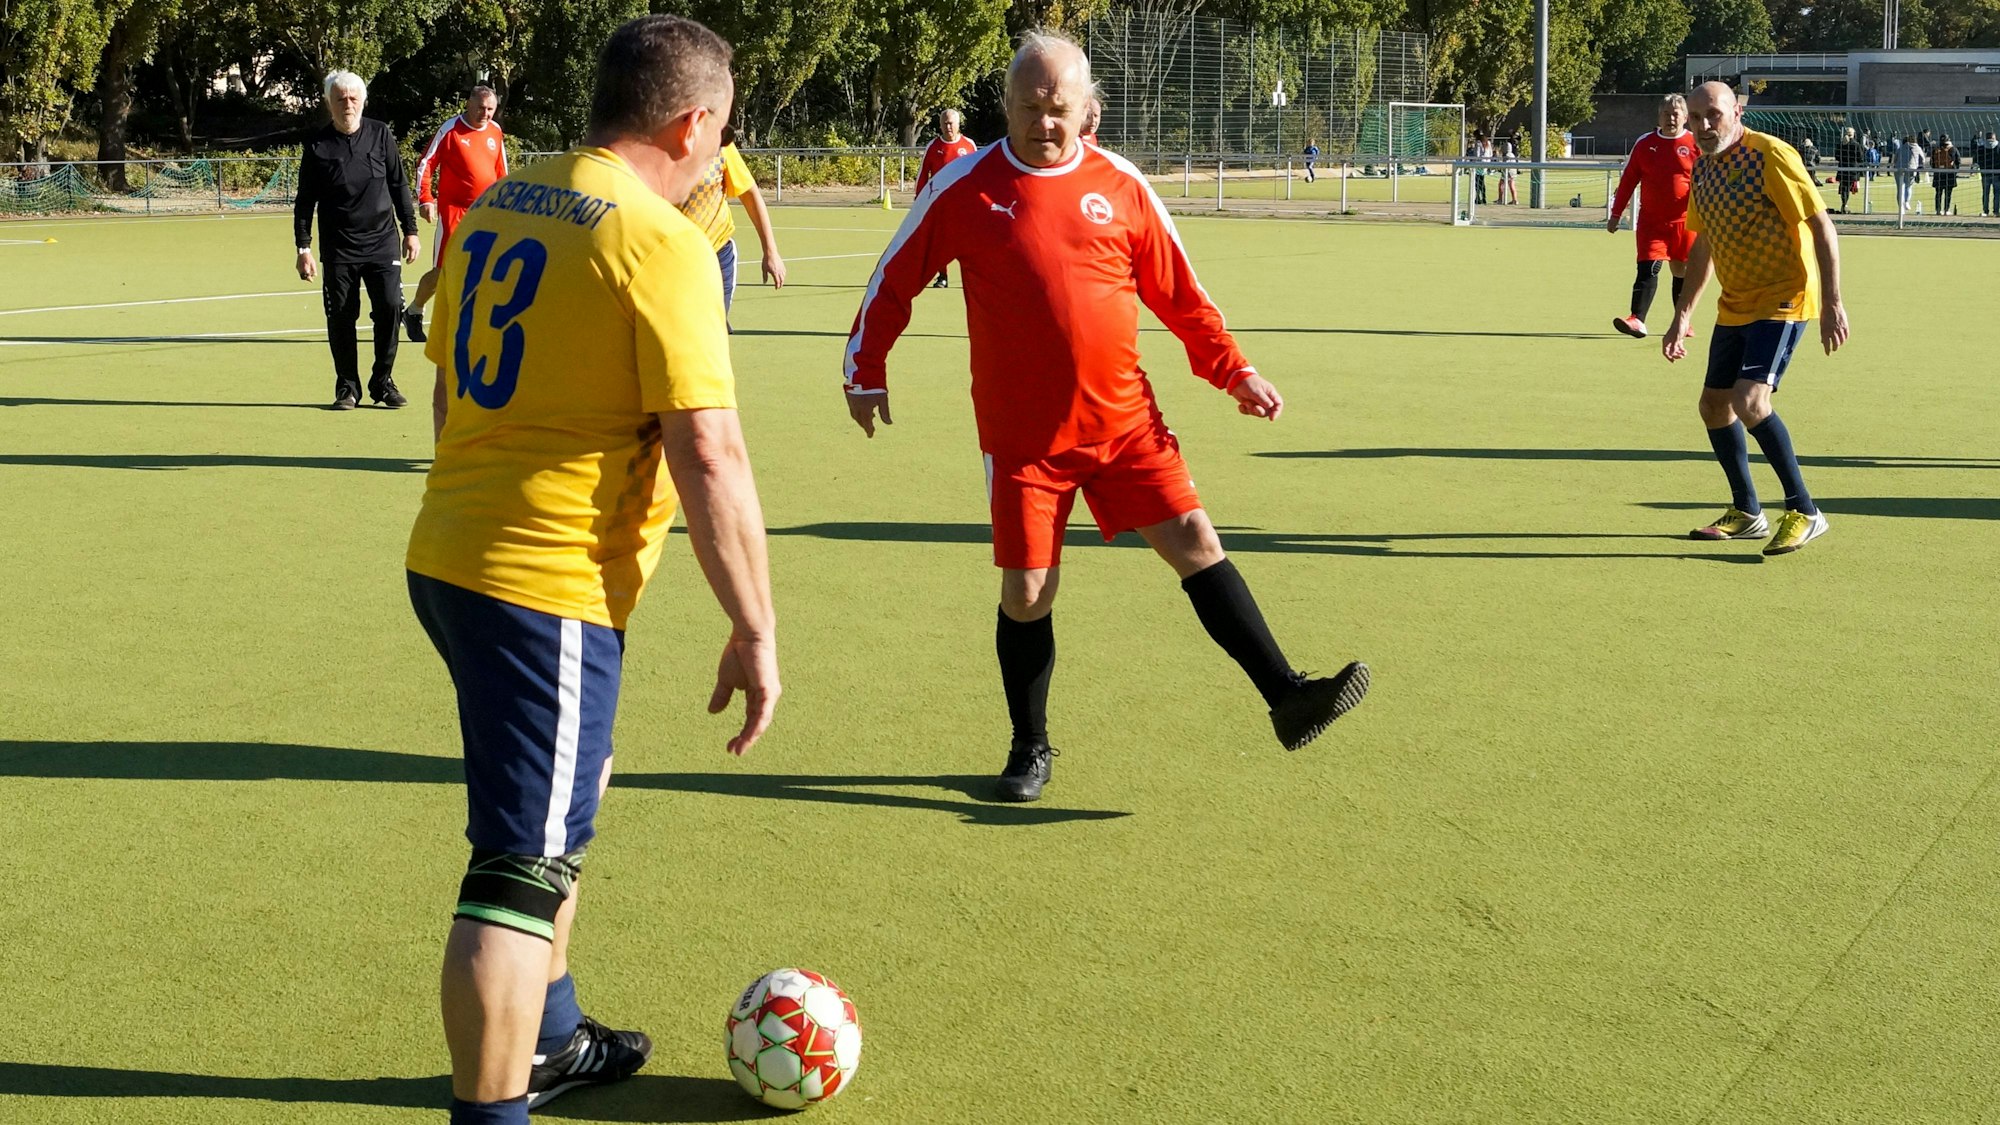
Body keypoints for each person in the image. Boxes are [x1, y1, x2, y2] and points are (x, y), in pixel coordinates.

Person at [406, 16, 780, 1124]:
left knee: (576, 790)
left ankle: (554, 1037)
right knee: (516, 870)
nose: (720, 160)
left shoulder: (507, 199)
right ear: (692, 120)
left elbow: (444, 391)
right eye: (722, 135)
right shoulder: (658, 243)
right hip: (542, 583)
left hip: (454, 555)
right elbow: (707, 448)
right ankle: (494, 1111)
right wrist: (753, 626)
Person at [842, 30, 1370, 802]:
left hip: (1125, 423)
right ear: (1008, 105)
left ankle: (1288, 696)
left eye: (1058, 109)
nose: (1043, 123)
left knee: (1195, 540)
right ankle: (1030, 747)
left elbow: (1181, 294)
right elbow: (894, 277)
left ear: (1087, 110)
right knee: (1027, 591)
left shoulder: (1120, 183)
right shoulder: (965, 187)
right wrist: (864, 368)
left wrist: (1235, 370)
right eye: (1029, 107)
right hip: (1025, 439)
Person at [1663, 81, 1849, 557]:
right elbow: (1702, 243)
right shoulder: (1703, 168)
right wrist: (1683, 313)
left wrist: (1832, 301)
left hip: (1785, 297)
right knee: (1713, 405)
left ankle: (1805, 510)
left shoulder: (1770, 155)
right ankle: (1747, 512)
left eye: (1714, 115)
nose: (1705, 126)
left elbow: (1820, 225)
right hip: (1736, 303)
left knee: (1750, 399)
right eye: (1697, 117)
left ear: (1737, 111)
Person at [293, 70, 420, 410]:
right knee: (341, 317)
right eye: (340, 99)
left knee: (391, 307)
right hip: (338, 248)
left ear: (363, 101)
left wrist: (411, 231)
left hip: (383, 243)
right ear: (329, 103)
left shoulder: (381, 135)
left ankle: (383, 382)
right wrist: (303, 248)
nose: (347, 105)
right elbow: (305, 201)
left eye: (353, 98)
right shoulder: (317, 145)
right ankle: (347, 387)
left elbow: (399, 185)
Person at [407, 86, 510, 343]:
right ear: (468, 103)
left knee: (486, 268)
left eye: (490, 109)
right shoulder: (450, 130)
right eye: (480, 107)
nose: (485, 114)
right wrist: (426, 199)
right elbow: (426, 163)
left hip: (486, 212)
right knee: (443, 271)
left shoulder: (495, 131)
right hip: (454, 211)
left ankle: (471, 323)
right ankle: (414, 310)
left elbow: (502, 171)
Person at [1606, 93, 1697, 339]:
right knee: (1648, 268)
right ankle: (1637, 320)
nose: (1671, 118)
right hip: (1652, 223)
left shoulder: (1695, 143)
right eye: (1666, 113)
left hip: (1687, 222)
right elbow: (1628, 181)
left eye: (1676, 113)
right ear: (1658, 116)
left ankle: (1682, 321)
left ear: (1686, 117)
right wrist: (1616, 213)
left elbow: (1711, 180)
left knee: (1682, 271)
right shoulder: (1645, 144)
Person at [676, 129, 785, 318]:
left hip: (717, 255)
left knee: (711, 331)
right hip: (671, 259)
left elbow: (750, 195)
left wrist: (771, 251)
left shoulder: (720, 144)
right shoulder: (653, 147)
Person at [915, 108, 978, 288]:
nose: (948, 127)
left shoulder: (968, 145)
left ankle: (972, 277)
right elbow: (922, 176)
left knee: (968, 243)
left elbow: (978, 172)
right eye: (944, 123)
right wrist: (920, 200)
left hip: (963, 204)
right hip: (939, 203)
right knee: (939, 243)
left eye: (951, 123)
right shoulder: (933, 147)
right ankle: (942, 276)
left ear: (958, 124)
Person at [1892, 133, 1926, 213]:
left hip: (1899, 169)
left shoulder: (1901, 147)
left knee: (1900, 189)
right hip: (1911, 169)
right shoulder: (1917, 148)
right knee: (1908, 186)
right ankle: (1907, 201)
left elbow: (1895, 158)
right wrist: (1918, 165)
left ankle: (1901, 209)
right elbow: (1923, 160)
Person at [1833, 126, 1862, 213]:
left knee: (1844, 187)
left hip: (1842, 168)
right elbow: (1860, 157)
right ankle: (1845, 204)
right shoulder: (1856, 145)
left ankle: (1844, 203)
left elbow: (1837, 156)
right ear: (1853, 134)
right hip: (1852, 169)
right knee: (1848, 188)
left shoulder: (1841, 144)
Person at [1931, 133, 1961, 215]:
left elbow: (1932, 162)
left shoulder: (1936, 149)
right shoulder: (1953, 149)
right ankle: (1946, 210)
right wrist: (1955, 170)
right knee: (1948, 193)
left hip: (1938, 174)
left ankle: (1937, 210)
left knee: (1938, 193)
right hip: (1950, 174)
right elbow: (1958, 161)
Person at [1979, 132, 2000, 216]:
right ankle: (1996, 211)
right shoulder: (1998, 147)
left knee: (1985, 193)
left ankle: (1985, 211)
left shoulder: (1981, 148)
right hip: (1997, 174)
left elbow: (1978, 159)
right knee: (1997, 194)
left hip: (1985, 173)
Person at [1468, 130, 1491, 205]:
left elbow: (1477, 155)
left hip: (1479, 164)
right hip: (1486, 164)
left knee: (1477, 181)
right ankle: (1484, 198)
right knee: (1482, 181)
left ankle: (1477, 197)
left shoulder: (1478, 143)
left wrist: (1472, 161)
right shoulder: (1488, 142)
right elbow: (1490, 154)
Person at [1495, 138, 1519, 204]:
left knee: (1501, 185)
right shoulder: (1512, 154)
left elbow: (1505, 164)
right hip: (1513, 172)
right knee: (1512, 186)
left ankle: (1500, 199)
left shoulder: (1506, 156)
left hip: (1507, 172)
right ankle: (1515, 200)